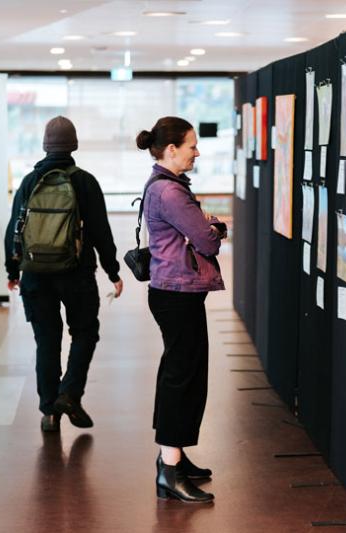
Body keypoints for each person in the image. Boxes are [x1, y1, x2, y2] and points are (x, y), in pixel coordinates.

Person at [4, 116, 123, 432]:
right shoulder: (85, 181)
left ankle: (49, 411)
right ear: (74, 145)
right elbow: (100, 232)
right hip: (77, 274)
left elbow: (14, 228)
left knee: (47, 339)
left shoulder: (30, 182)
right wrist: (113, 271)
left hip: (34, 274)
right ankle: (69, 393)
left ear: (44, 144)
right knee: (84, 332)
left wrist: (12, 268)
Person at [136, 116, 227, 503]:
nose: (197, 151)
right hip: (177, 293)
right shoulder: (170, 193)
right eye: (191, 145)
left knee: (182, 372)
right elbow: (207, 240)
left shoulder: (166, 186)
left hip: (174, 290)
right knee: (182, 377)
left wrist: (208, 226)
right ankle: (170, 471)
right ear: (171, 150)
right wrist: (216, 227)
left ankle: (173, 457)